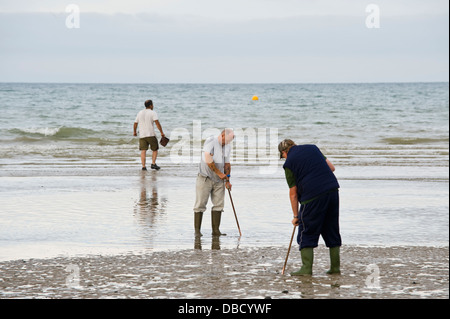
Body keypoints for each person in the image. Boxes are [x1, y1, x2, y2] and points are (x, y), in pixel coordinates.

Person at [278, 139, 341, 276]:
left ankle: (306, 269)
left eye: (282, 156)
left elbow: (293, 193)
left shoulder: (288, 164)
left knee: (306, 231)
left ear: (284, 152)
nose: (283, 159)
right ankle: (335, 268)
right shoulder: (313, 148)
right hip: (332, 190)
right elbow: (331, 168)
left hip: (312, 197)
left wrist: (296, 216)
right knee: (332, 229)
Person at [193, 129, 234, 237]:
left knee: (219, 205)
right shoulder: (211, 141)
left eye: (230, 141)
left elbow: (227, 164)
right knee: (200, 204)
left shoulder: (228, 147)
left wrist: (228, 180)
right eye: (227, 140)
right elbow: (208, 159)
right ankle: (197, 231)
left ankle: (216, 231)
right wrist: (219, 173)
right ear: (222, 135)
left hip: (219, 180)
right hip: (205, 177)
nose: (228, 143)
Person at [133, 100, 165, 170]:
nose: (153, 106)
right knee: (155, 149)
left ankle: (143, 166)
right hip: (151, 134)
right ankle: (153, 164)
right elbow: (157, 123)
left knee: (143, 151)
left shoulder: (140, 112)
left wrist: (134, 132)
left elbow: (135, 123)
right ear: (150, 105)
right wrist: (162, 133)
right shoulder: (152, 113)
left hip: (142, 135)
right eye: (152, 105)